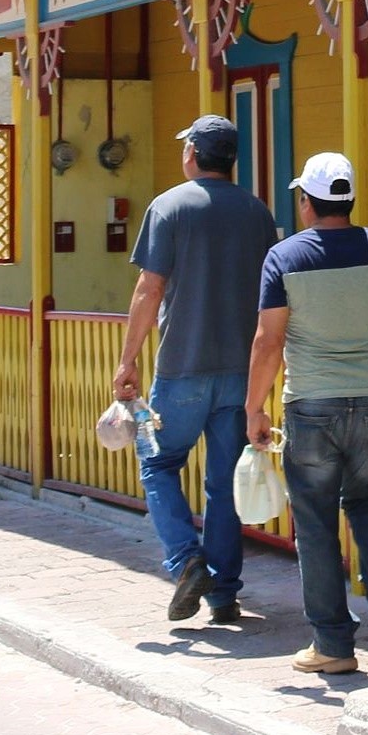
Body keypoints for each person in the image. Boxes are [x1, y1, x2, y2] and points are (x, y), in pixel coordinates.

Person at [247, 151, 368, 676]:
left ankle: (333, 643)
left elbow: (269, 340)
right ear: (349, 199)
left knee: (313, 521)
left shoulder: (285, 257)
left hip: (311, 405)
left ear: (306, 203)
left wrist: (254, 408)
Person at [112, 116, 277, 626]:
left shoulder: (169, 206)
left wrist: (128, 358)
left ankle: (187, 559)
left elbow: (150, 289)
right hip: (240, 371)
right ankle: (224, 594)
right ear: (231, 159)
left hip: (182, 366)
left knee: (159, 464)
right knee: (225, 480)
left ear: (192, 155)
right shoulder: (257, 213)